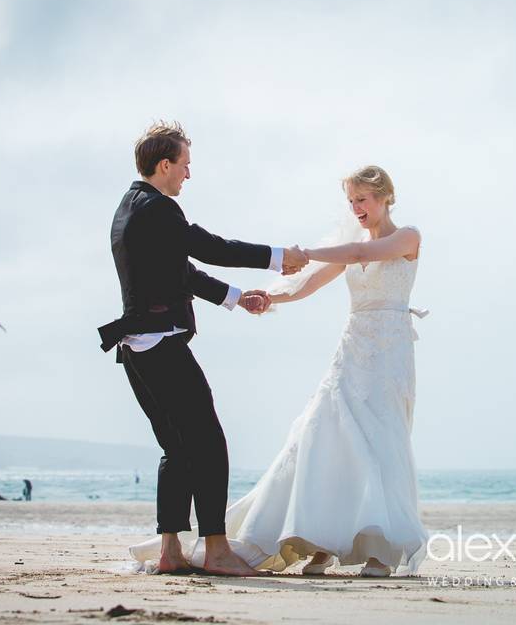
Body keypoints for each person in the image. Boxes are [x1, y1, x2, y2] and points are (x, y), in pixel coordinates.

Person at [130, 165, 430, 577]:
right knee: (326, 436)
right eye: (351, 201)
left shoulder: (407, 237)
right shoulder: (349, 245)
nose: (356, 208)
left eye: (362, 199)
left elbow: (360, 255)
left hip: (390, 351)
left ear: (384, 197)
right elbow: (309, 284)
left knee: (381, 437)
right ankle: (321, 540)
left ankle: (379, 549)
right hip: (354, 348)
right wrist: (265, 298)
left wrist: (304, 253)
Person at [99, 121, 309, 577]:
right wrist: (277, 256)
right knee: (209, 443)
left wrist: (236, 298)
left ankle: (171, 551)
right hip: (161, 344)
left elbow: (182, 272)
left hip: (137, 346)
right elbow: (208, 247)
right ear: (165, 164)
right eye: (185, 166)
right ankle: (215, 550)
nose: (188, 176)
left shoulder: (129, 207)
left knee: (176, 447)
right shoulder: (159, 209)